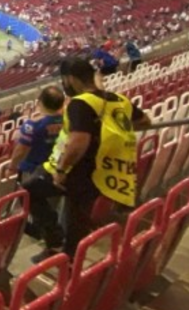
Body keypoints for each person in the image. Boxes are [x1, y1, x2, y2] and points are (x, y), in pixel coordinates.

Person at [38, 57, 150, 262]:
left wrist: (61, 170)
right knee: (78, 217)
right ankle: (68, 253)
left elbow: (79, 141)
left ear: (71, 79)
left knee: (35, 190)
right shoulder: (119, 99)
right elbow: (144, 121)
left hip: (85, 171)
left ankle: (64, 253)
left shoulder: (80, 103)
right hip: (106, 170)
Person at [12, 86, 66, 251]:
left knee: (30, 199)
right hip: (54, 167)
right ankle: (45, 229)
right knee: (50, 201)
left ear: (40, 102)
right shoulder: (67, 121)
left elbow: (21, 149)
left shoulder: (33, 124)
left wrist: (11, 166)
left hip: (33, 168)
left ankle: (40, 230)